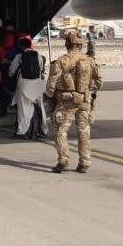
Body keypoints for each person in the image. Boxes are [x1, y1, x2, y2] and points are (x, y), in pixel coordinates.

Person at [44, 30, 102, 173]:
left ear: (67, 44)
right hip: (85, 100)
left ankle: (63, 160)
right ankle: (84, 162)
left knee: (60, 130)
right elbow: (100, 82)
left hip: (66, 102)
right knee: (84, 132)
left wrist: (49, 96)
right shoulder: (89, 60)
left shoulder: (61, 61)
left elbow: (51, 85)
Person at [9, 36, 46, 139]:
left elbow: (11, 71)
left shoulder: (19, 56)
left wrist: (11, 76)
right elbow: (41, 69)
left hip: (24, 84)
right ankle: (42, 130)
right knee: (40, 107)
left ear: (21, 46)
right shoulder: (38, 55)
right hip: (37, 84)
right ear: (30, 46)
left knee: (23, 109)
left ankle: (22, 132)